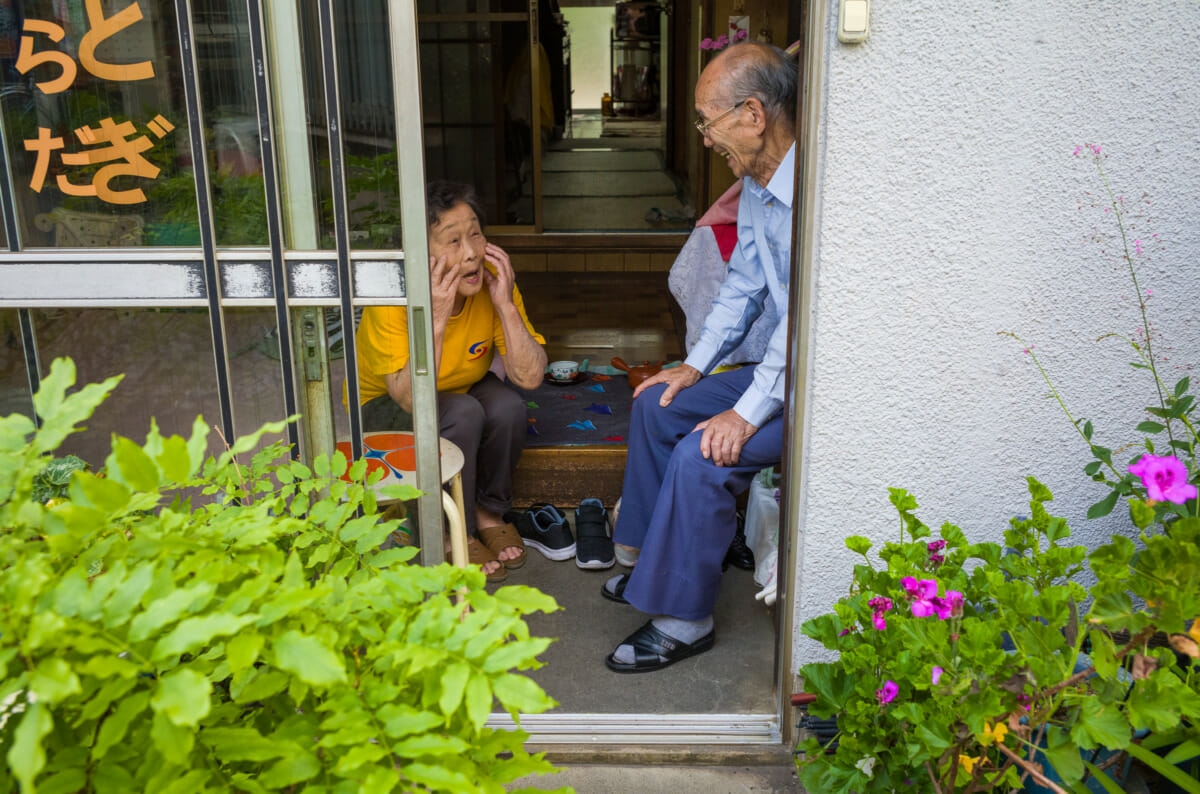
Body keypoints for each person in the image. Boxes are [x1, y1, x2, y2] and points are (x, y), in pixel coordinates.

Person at [601, 42, 798, 672]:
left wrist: (744, 414)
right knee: (662, 403)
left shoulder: (816, 194)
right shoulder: (760, 188)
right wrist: (697, 364)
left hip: (814, 389)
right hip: (778, 374)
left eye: (706, 121)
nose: (704, 138)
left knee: (707, 450)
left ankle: (686, 617)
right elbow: (744, 285)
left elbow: (806, 325)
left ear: (752, 114)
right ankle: (644, 560)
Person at [352, 181, 548, 582]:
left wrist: (505, 305)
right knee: (464, 412)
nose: (472, 252)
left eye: (475, 233)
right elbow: (408, 399)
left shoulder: (492, 282)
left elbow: (529, 377)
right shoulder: (389, 299)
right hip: (387, 407)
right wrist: (436, 315)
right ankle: (441, 530)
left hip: (460, 388)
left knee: (508, 406)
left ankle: (487, 511)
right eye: (453, 241)